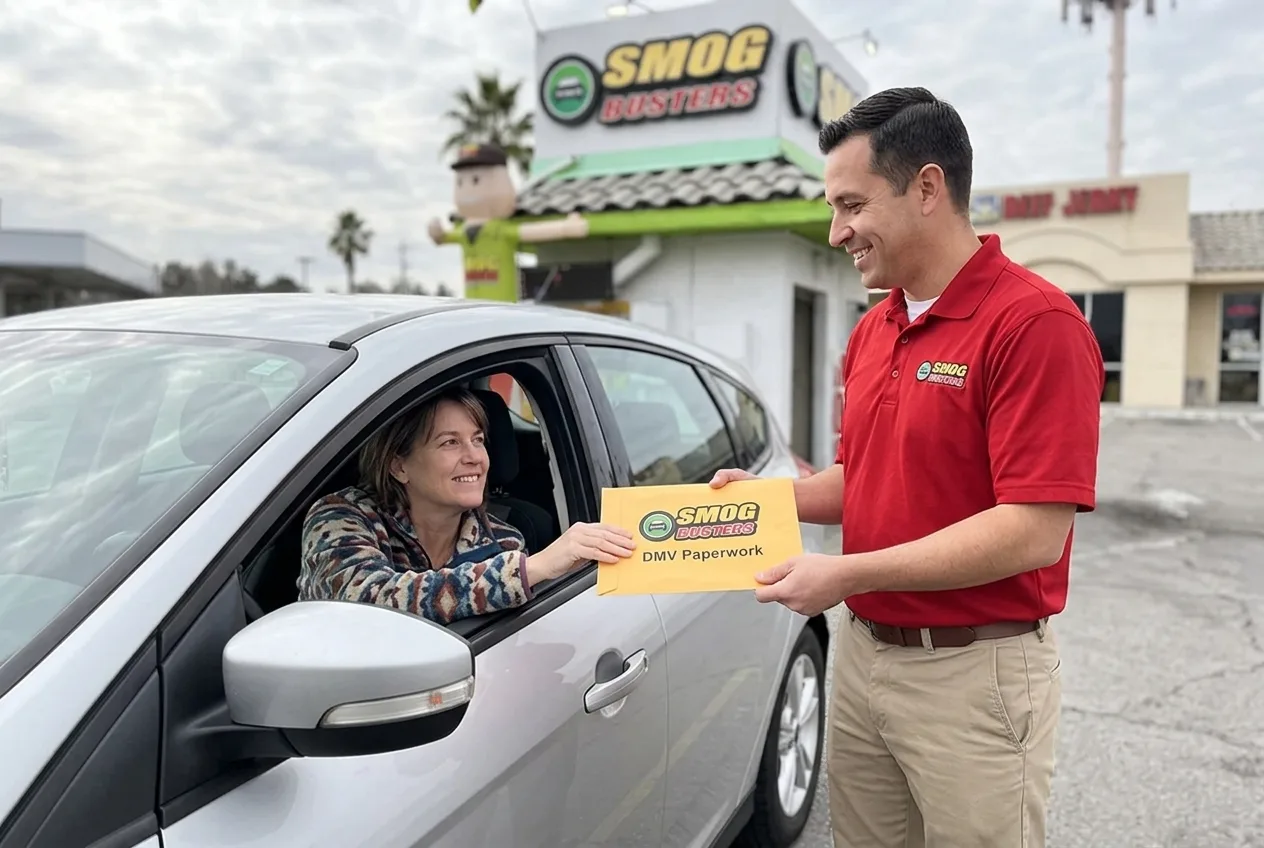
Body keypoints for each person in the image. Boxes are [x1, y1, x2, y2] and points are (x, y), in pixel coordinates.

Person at [710, 86, 1104, 848]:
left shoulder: (1034, 324)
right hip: (865, 659)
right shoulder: (874, 331)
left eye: (852, 205)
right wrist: (773, 499)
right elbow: (863, 478)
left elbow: (1033, 531)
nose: (837, 232)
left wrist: (847, 574)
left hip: (975, 675)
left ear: (927, 188)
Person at [298, 386, 635, 625]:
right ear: (399, 466)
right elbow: (365, 606)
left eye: (478, 440)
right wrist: (532, 569)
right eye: (450, 442)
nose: (475, 457)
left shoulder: (503, 540)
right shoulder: (340, 517)